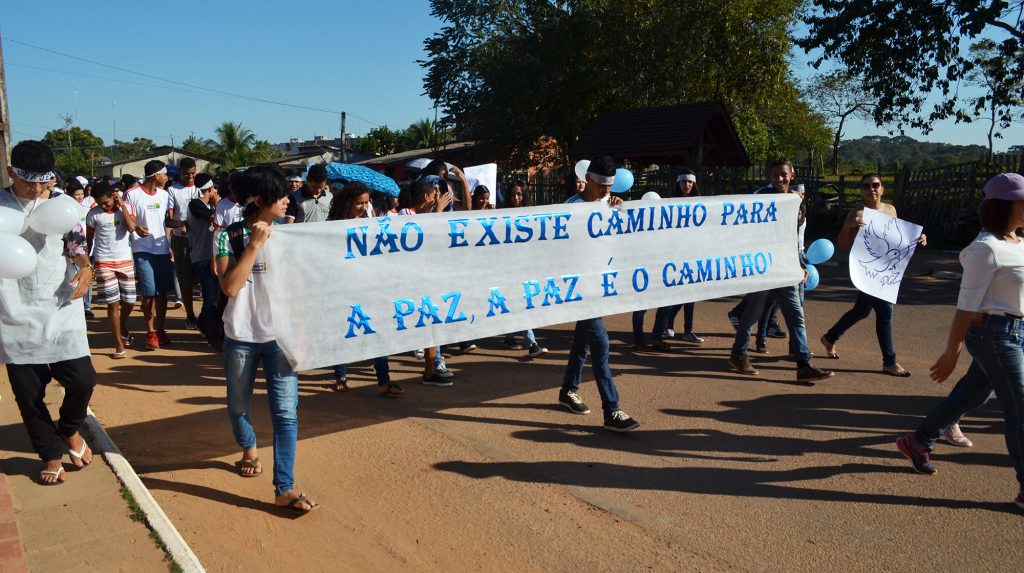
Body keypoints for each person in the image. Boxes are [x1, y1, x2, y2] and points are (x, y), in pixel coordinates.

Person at [896, 173, 1024, 511]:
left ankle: (919, 440)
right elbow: (966, 306)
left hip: (1014, 332)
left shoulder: (1017, 242)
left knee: (976, 393)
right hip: (995, 336)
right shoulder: (985, 249)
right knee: (1019, 411)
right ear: (1006, 205)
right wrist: (951, 352)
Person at [216, 165, 318, 513]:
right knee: (238, 406)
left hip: (280, 337)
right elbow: (229, 287)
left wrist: (300, 336)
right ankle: (248, 447)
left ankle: (284, 488)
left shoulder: (291, 235)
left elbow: (300, 289)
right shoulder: (227, 235)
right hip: (241, 336)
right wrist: (255, 245)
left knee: (286, 414)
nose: (289, 199)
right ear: (260, 200)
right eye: (281, 195)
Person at [1, 140, 96, 485]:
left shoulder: (63, 206)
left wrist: (87, 268)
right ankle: (49, 453)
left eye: (46, 181)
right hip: (13, 312)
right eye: (29, 182)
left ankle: (69, 428)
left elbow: (76, 246)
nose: (39, 189)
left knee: (83, 381)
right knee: (28, 395)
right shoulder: (0, 206)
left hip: (60, 306)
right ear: (11, 172)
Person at [727, 158, 834, 384]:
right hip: (764, 267)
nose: (780, 179)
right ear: (770, 177)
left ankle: (804, 364)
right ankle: (739, 354)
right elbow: (746, 230)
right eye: (775, 175)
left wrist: (801, 264)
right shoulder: (761, 197)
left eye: (784, 175)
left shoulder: (798, 201)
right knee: (753, 315)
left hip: (786, 267)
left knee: (796, 316)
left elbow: (796, 238)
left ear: (791, 176)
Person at [559, 156, 640, 432]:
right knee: (600, 344)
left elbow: (619, 239)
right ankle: (612, 410)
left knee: (582, 342)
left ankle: (568, 390)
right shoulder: (572, 206)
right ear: (589, 180)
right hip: (581, 287)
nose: (608, 191)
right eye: (603, 185)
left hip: (601, 283)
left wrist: (621, 212)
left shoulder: (609, 203)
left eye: (610, 186)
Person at [820, 174, 926, 377]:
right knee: (885, 313)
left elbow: (898, 240)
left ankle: (829, 337)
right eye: (866, 186)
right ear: (862, 190)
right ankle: (889, 361)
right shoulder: (858, 212)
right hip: (868, 272)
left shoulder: (891, 210)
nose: (871, 189)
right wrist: (848, 226)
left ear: (882, 188)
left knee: (861, 311)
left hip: (886, 270)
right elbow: (842, 244)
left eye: (875, 185)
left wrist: (918, 238)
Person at [325, 184, 403, 396]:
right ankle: (340, 376)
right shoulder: (331, 226)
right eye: (359, 202)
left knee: (378, 332)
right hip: (341, 287)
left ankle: (384, 381)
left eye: (366, 202)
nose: (363, 206)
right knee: (343, 331)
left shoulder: (371, 224)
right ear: (347, 203)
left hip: (369, 286)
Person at [651, 169, 706, 347]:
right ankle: (668, 325)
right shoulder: (671, 203)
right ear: (678, 184)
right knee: (675, 295)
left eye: (690, 182)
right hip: (675, 255)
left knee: (690, 295)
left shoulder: (701, 203)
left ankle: (687, 331)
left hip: (693, 254)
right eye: (683, 182)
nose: (687, 185)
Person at [124, 160, 174, 351]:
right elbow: (130, 218)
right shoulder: (132, 194)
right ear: (156, 176)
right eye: (165, 174)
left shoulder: (164, 194)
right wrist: (137, 228)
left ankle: (160, 330)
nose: (166, 178)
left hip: (161, 249)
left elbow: (165, 220)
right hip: (142, 249)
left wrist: (180, 225)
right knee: (149, 292)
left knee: (162, 293)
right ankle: (150, 332)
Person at [85, 180, 138, 359]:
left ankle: (121, 325)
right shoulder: (93, 214)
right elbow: (89, 239)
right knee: (113, 303)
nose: (103, 205)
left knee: (130, 301)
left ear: (113, 197)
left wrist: (122, 206)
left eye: (106, 202)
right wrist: (88, 261)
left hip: (124, 260)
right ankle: (118, 344)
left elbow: (131, 228)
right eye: (100, 203)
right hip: (103, 261)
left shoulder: (126, 208)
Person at [499, 180, 548, 358]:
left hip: (525, 265)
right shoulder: (502, 215)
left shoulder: (530, 214)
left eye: (519, 194)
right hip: (508, 267)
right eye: (513, 195)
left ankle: (510, 336)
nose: (516, 198)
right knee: (520, 303)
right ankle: (532, 343)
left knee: (520, 302)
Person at [186, 173, 221, 339]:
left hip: (210, 256)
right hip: (203, 257)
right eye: (214, 189)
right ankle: (207, 328)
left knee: (213, 296)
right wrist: (219, 204)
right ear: (210, 189)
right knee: (210, 296)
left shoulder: (207, 205)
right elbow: (216, 220)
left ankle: (204, 323)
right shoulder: (195, 204)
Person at [167, 158, 200, 329]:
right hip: (181, 240)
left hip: (202, 239)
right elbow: (168, 219)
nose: (190, 177)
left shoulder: (200, 188)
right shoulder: (172, 190)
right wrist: (181, 225)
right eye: (186, 174)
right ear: (180, 172)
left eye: (193, 174)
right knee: (185, 280)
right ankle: (190, 315)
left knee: (204, 279)